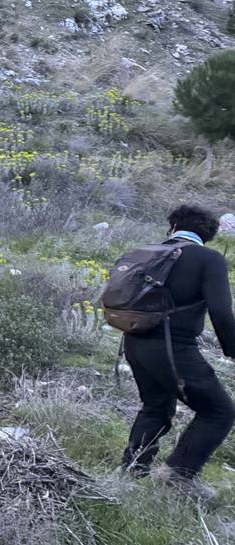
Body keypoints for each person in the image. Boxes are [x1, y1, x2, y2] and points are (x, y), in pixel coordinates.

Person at [120, 204, 235, 501]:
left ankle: (132, 472)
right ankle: (178, 475)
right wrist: (232, 349)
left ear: (172, 227)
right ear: (208, 235)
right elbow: (221, 311)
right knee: (218, 411)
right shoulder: (209, 259)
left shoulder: (147, 252)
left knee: (155, 406)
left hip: (133, 341)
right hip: (173, 346)